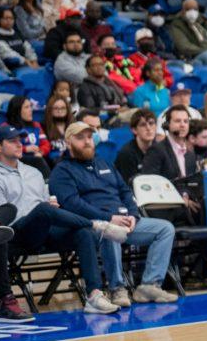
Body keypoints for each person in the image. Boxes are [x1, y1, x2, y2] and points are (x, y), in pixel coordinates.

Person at [0, 124, 123, 315]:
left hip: (44, 228)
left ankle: (94, 295)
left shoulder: (34, 172)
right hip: (15, 235)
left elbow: (47, 203)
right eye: (12, 141)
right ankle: (97, 224)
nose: (19, 145)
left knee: (82, 233)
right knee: (43, 210)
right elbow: (1, 217)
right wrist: (45, 209)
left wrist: (51, 206)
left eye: (19, 140)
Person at [50, 121, 180, 305]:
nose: (87, 141)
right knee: (110, 231)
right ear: (68, 142)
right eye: (80, 138)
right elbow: (73, 204)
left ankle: (149, 286)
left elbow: (125, 192)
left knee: (165, 229)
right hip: (93, 225)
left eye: (89, 137)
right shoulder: (62, 171)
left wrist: (134, 216)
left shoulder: (105, 163)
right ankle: (117, 288)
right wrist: (109, 218)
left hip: (124, 220)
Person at [169, 0, 207, 69]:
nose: (192, 12)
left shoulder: (204, 21)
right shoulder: (177, 24)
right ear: (183, 11)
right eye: (188, 9)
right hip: (196, 57)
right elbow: (184, 46)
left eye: (195, 9)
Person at [115, 108, 157, 185]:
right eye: (143, 125)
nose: (148, 128)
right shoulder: (126, 154)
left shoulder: (160, 149)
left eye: (151, 123)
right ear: (134, 130)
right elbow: (127, 186)